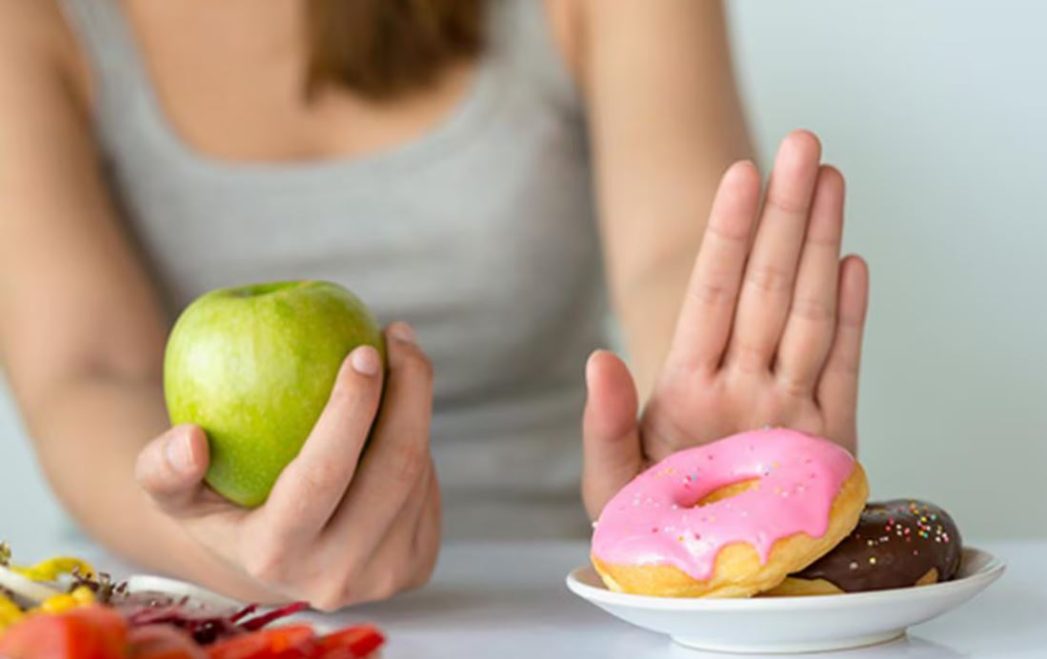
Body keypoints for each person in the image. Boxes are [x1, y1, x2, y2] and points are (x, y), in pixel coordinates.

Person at [0, 0, 868, 610]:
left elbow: (675, 250)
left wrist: (708, 425)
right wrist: (220, 551)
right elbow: (84, 368)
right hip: (182, 607)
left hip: (551, 601)